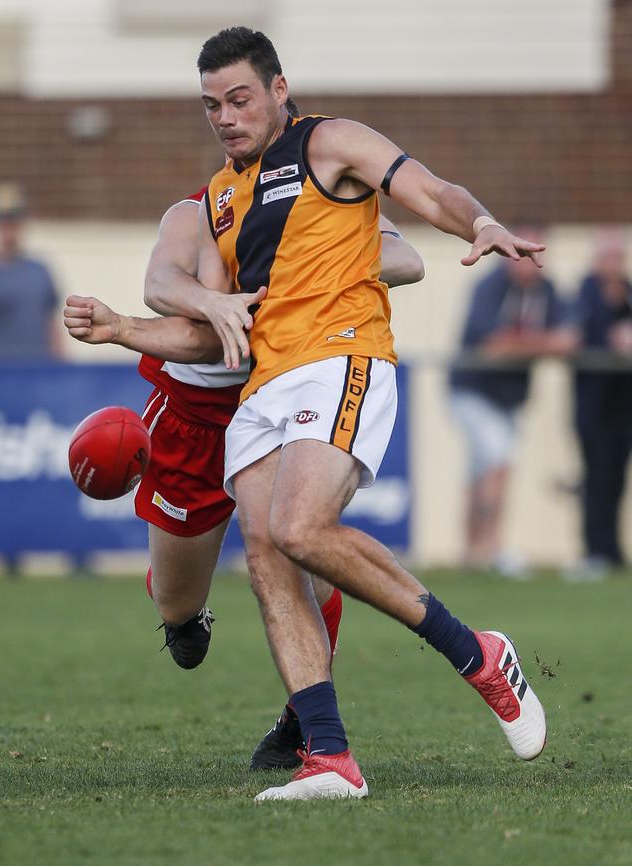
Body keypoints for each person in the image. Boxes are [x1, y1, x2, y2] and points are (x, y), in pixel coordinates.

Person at [65, 26, 548, 801]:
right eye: (211, 105)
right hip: (263, 384)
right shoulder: (219, 200)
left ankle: (479, 655)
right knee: (267, 559)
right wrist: (120, 328)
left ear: (279, 90)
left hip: (343, 357)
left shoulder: (332, 143)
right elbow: (206, 325)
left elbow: (427, 190)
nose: (225, 116)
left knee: (297, 529)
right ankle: (330, 758)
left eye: (240, 98)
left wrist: (480, 222)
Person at [72, 181, 424, 769]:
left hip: (284, 398)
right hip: (194, 420)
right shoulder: (199, 210)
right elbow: (163, 289)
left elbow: (408, 259)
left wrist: (310, 263)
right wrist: (212, 301)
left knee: (302, 550)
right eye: (220, 107)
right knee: (174, 603)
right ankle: (186, 616)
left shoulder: (326, 201)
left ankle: (304, 716)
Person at [448, 225, 577, 575]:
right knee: (497, 462)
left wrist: (522, 344)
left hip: (510, 398)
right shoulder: (489, 287)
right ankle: (492, 549)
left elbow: (569, 339)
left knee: (482, 471)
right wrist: (540, 343)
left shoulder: (547, 290)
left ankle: (472, 554)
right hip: (472, 392)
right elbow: (493, 344)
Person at [569, 228, 632, 580]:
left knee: (618, 479)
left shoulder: (628, 293)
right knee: (595, 478)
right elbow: (577, 336)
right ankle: (594, 550)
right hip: (593, 405)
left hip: (623, 406)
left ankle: (613, 551)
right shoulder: (585, 293)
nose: (614, 264)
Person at [0, 183, 62, 360]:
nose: (9, 228)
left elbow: (52, 325)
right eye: (3, 221)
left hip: (39, 369)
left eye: (13, 220)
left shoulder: (40, 271)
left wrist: (61, 365)